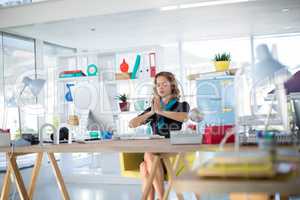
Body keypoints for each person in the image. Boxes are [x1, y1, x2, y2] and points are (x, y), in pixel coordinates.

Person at [129, 71, 190, 200]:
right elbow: (132, 124)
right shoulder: (154, 109)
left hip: (171, 151)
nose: (161, 87)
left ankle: (162, 197)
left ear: (172, 86)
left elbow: (184, 117)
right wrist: (151, 112)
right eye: (158, 85)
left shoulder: (181, 105)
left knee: (149, 155)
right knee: (143, 166)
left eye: (164, 84)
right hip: (155, 150)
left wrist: (161, 112)